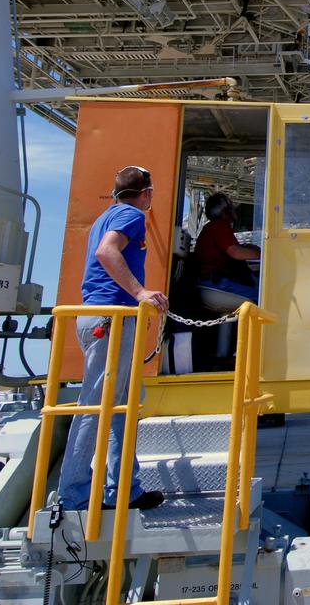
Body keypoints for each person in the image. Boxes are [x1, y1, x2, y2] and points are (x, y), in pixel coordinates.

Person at [57, 166, 168, 512]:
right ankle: (74, 493)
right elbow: (108, 252)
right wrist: (140, 292)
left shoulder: (105, 216)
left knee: (121, 406)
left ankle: (123, 489)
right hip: (112, 318)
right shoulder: (131, 216)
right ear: (146, 193)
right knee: (98, 404)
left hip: (102, 318)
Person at [194, 192, 261, 303]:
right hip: (219, 284)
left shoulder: (210, 228)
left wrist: (246, 248)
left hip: (209, 282)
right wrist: (264, 254)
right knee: (263, 297)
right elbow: (236, 252)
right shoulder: (220, 226)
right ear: (226, 210)